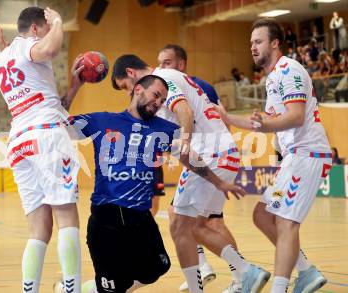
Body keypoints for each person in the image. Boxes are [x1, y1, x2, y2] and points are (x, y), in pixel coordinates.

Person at [57, 75, 246, 293]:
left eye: (162, 100)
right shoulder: (103, 121)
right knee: (113, 287)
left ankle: (96, 288)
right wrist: (74, 88)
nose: (158, 103)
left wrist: (219, 182)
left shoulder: (165, 129)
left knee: (158, 266)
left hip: (141, 219)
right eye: (155, 95)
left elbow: (188, 158)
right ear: (138, 89)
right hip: (106, 219)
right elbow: (60, 125)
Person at [112, 55, 271, 293]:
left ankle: (245, 272)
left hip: (210, 153)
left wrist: (185, 142)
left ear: (131, 73)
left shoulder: (162, 79)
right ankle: (241, 274)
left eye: (125, 86)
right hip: (222, 154)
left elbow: (184, 110)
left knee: (180, 226)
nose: (129, 92)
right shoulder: (163, 88)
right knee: (195, 224)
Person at [214, 18, 333, 293]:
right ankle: (306, 272)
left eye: (258, 42)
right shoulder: (272, 78)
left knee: (286, 221)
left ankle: (280, 288)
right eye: (251, 43)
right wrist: (228, 118)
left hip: (308, 153)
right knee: (263, 215)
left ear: (275, 43)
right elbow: (267, 121)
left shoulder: (289, 70)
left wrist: (266, 125)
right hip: (293, 157)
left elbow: (295, 116)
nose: (252, 48)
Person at [0, 7, 83, 293]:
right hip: (46, 136)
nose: (49, 32)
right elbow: (49, 49)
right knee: (67, 215)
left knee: (39, 228)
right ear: (35, 28)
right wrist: (58, 20)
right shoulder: (30, 45)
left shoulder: (3, 58)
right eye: (45, 28)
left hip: (19, 141)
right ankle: (72, 289)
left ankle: (29, 290)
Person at [158, 44, 238, 292]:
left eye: (167, 62)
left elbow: (217, 120)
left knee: (205, 223)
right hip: (204, 158)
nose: (161, 68)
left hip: (211, 156)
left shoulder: (198, 86)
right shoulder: (168, 83)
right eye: (159, 62)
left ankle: (240, 274)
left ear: (181, 64)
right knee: (179, 216)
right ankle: (206, 266)